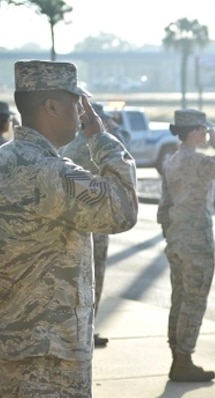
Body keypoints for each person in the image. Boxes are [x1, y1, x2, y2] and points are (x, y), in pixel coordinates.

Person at [0, 60, 138, 398]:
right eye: (76, 104)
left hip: (3, 347)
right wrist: (100, 139)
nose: (80, 113)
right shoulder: (53, 173)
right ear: (52, 107)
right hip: (48, 362)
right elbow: (123, 209)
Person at [156, 109, 215, 382]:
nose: (206, 133)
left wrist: (170, 232)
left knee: (180, 298)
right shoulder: (196, 161)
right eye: (203, 128)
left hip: (177, 238)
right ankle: (184, 359)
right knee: (194, 300)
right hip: (196, 241)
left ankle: (178, 355)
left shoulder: (173, 161)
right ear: (196, 131)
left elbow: (164, 205)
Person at [59, 102, 129, 348]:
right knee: (94, 278)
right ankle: (88, 328)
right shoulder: (93, 146)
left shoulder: (68, 144)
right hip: (96, 221)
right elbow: (121, 157)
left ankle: (79, 327)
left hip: (72, 221)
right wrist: (107, 132)